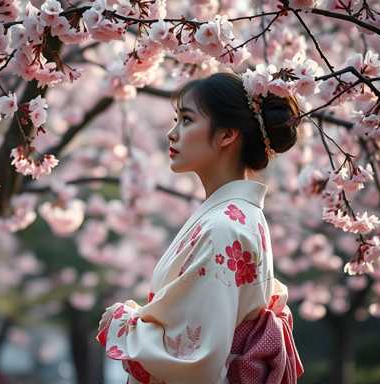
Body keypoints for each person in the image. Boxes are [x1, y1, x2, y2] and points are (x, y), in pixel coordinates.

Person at [95, 72, 305, 384]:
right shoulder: (237, 217)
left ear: (226, 135)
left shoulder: (224, 227)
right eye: (175, 119)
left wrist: (123, 325)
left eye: (186, 120)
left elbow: (197, 357)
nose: (172, 133)